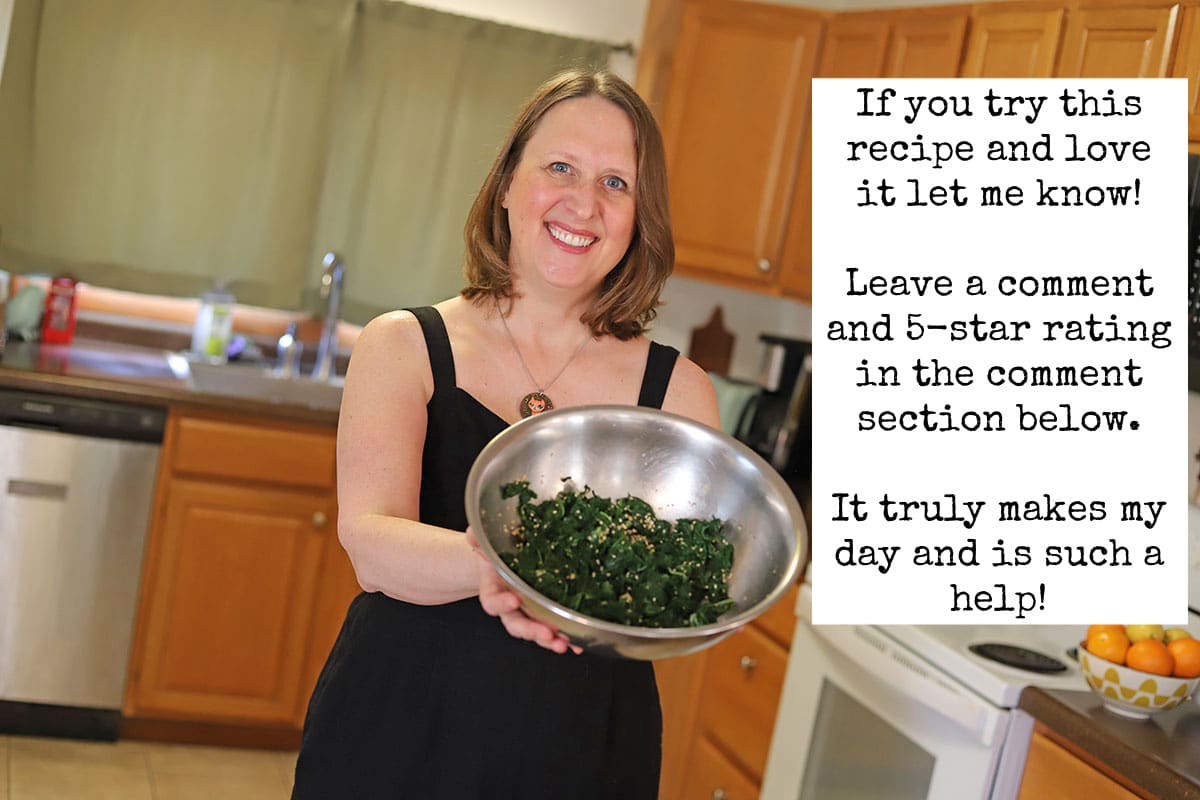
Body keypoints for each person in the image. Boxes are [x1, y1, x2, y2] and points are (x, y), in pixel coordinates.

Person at [291, 67, 720, 799]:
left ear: (639, 216)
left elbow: (692, 586)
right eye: (561, 167)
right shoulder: (405, 346)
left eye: (617, 183)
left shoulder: (679, 393)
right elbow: (369, 541)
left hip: (586, 745)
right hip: (399, 723)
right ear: (507, 186)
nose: (584, 203)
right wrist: (503, 571)